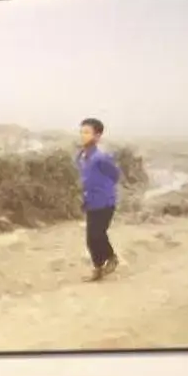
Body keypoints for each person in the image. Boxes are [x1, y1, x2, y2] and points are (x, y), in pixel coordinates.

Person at [75, 117, 121, 282]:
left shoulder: (101, 158)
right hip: (91, 202)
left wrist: (103, 189)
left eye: (87, 132)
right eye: (81, 132)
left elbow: (115, 175)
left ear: (97, 136)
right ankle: (98, 269)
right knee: (90, 238)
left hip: (105, 202)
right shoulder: (81, 156)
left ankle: (111, 257)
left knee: (97, 233)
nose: (83, 135)